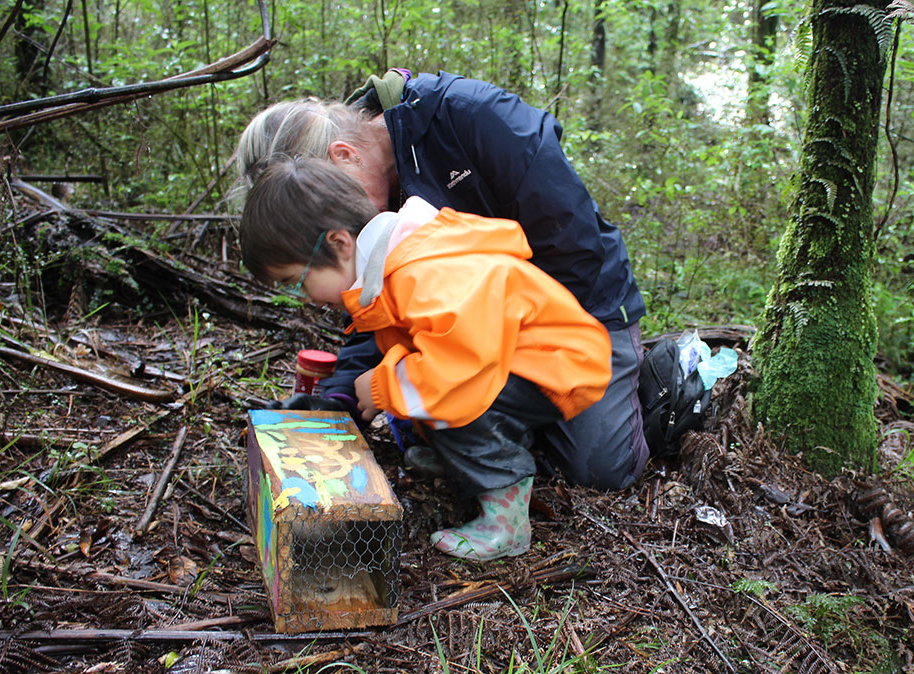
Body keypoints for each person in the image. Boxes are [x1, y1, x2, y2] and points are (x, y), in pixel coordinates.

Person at [232, 69, 648, 491]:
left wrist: (500, 367)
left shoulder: (470, 116)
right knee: (434, 390)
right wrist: (340, 400)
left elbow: (577, 246)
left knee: (595, 470)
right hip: (480, 327)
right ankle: (500, 425)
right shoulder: (368, 216)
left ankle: (657, 384)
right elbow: (378, 315)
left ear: (343, 157)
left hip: (578, 313)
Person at [240, 157, 613, 561]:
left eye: (297, 280)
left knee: (445, 393)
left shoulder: (425, 271)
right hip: (518, 361)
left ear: (339, 243)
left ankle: (506, 519)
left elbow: (460, 370)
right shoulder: (395, 264)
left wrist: (383, 385)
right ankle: (463, 455)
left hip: (556, 366)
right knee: (422, 381)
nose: (303, 295)